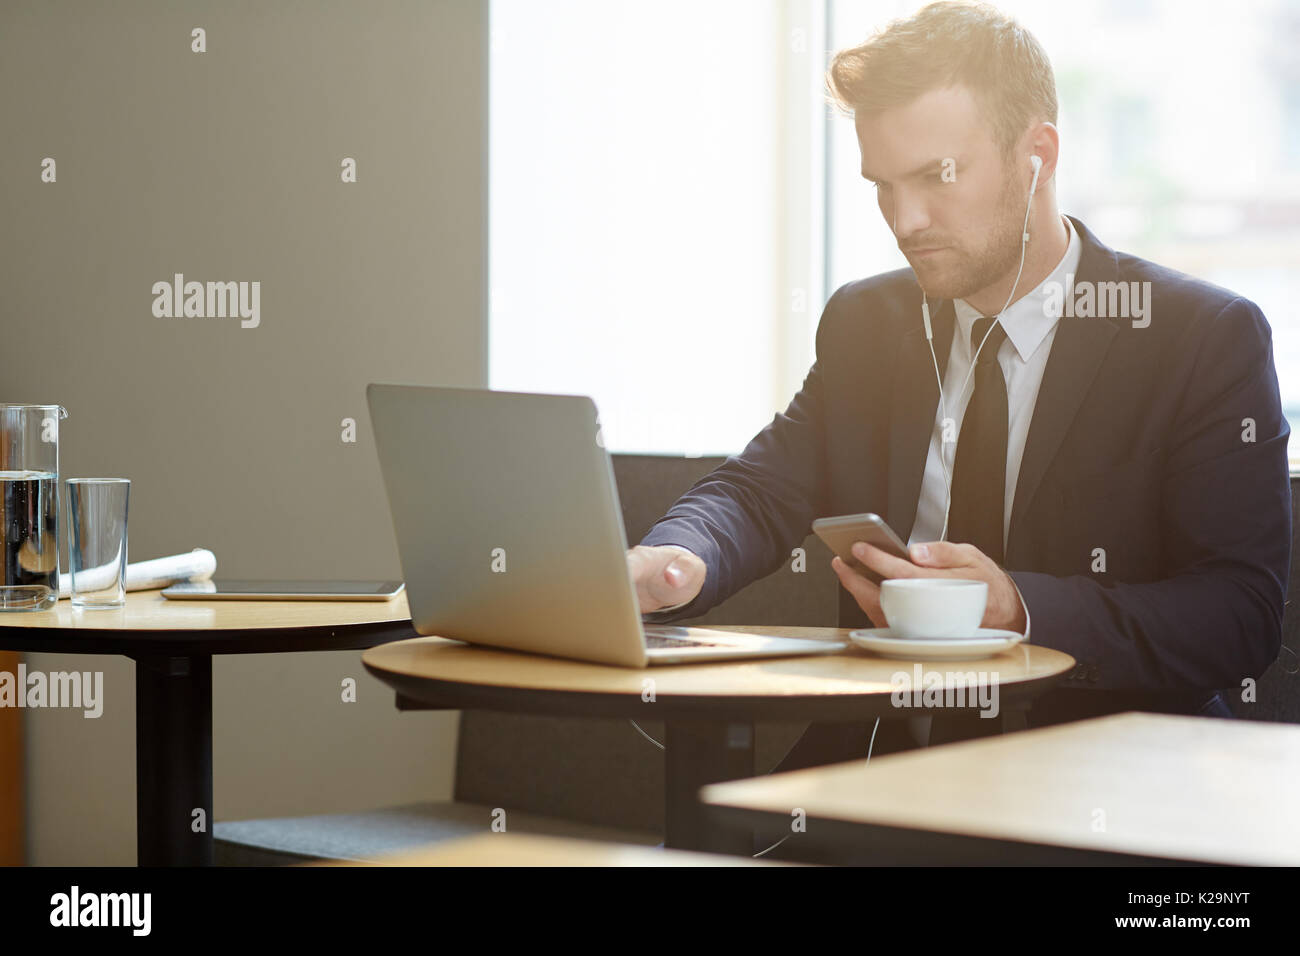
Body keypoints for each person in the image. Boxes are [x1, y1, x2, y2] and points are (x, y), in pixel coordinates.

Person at [626, 0, 1291, 767]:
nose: (904, 220)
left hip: (1104, 782)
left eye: (935, 178)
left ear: (1037, 154)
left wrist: (1020, 607)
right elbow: (761, 488)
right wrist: (674, 558)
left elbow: (1239, 616)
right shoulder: (867, 322)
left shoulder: (1198, 339)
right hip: (879, 764)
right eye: (882, 185)